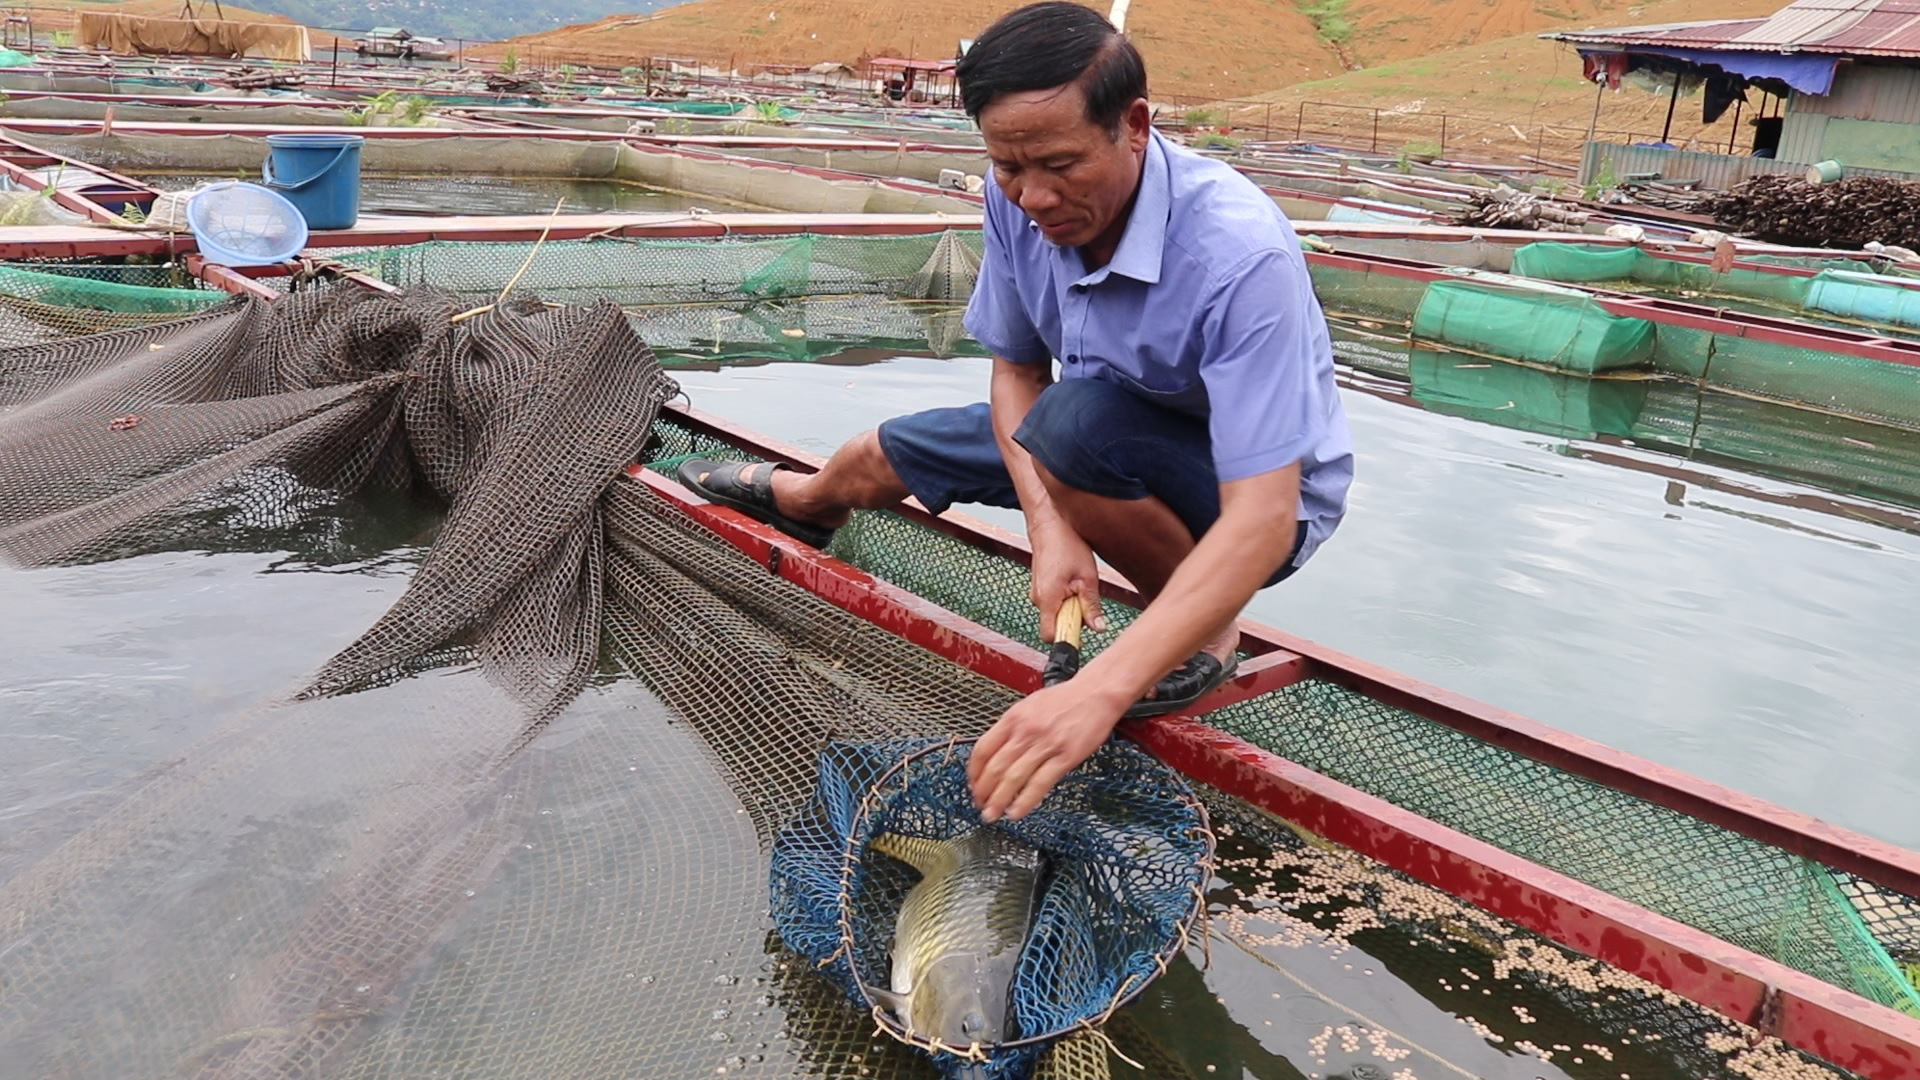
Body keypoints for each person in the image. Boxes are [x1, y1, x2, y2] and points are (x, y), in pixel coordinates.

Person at [677, 0, 1351, 823]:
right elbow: (1017, 372)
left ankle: (1203, 633)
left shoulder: (1239, 256)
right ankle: (802, 503)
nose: (1034, 196)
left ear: (1134, 125)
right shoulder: (1020, 196)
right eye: (1008, 168)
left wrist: (1097, 692)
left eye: (1061, 164)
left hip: (1240, 491)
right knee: (883, 453)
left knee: (1071, 427)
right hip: (1090, 428)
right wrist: (1051, 530)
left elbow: (1264, 516)